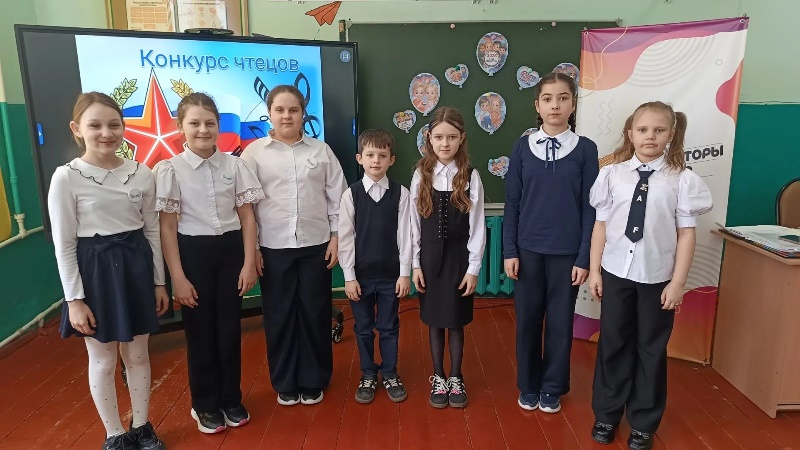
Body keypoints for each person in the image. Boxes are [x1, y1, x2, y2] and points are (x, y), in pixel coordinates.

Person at [588, 101, 712, 450]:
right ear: (631, 133)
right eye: (643, 130)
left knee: (651, 349)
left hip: (657, 278)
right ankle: (607, 413)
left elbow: (686, 234)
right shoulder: (613, 175)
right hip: (616, 273)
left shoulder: (681, 180)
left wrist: (678, 282)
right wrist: (595, 270)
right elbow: (601, 226)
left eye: (659, 130)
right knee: (613, 343)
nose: (650, 136)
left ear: (671, 134)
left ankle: (643, 422)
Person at [49, 92, 168, 450]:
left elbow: (152, 231)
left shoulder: (141, 172)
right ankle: (114, 433)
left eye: (114, 125)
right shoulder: (66, 177)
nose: (106, 133)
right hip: (96, 273)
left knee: (138, 354)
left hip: (135, 268)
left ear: (123, 127)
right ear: (77, 129)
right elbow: (64, 243)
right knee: (102, 358)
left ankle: (142, 426)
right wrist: (74, 300)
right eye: (95, 125)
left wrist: (159, 282)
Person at [155, 92, 262, 434]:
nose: (203, 130)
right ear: (180, 127)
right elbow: (167, 228)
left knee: (229, 330)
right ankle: (204, 404)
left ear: (219, 126)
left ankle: (230, 398)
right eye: (195, 123)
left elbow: (248, 218)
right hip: (193, 254)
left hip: (231, 253)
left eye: (210, 123)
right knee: (200, 332)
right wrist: (178, 278)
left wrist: (248, 263)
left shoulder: (235, 165)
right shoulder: (170, 170)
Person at [241, 85, 347, 406]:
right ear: (269, 114)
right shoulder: (253, 154)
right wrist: (253, 249)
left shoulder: (321, 151)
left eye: (293, 110)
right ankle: (285, 381)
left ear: (303, 114)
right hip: (272, 248)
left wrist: (336, 237)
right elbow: (246, 208)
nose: (286, 116)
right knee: (279, 316)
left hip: (316, 246)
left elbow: (338, 198)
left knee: (315, 313)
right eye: (280, 110)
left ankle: (314, 380)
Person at [503, 72, 600, 413]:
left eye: (562, 98)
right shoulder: (522, 147)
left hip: (567, 254)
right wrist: (510, 251)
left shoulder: (586, 149)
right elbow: (512, 202)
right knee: (528, 322)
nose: (555, 105)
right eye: (547, 99)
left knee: (560, 324)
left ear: (573, 104)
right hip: (528, 251)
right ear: (537, 106)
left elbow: (590, 207)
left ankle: (552, 388)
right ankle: (529, 385)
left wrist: (584, 257)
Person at [411, 106, 486, 409]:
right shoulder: (421, 175)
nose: (445, 143)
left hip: (458, 259)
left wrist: (473, 268)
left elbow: (477, 226)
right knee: (434, 321)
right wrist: (415, 264)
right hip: (430, 260)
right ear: (429, 138)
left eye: (452, 137)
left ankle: (456, 376)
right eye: (439, 137)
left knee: (455, 321)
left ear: (461, 138)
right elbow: (414, 225)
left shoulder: (470, 176)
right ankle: (438, 377)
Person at [338, 129, 411, 404]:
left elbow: (406, 236)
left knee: (389, 326)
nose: (376, 160)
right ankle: (368, 373)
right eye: (370, 155)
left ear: (392, 160)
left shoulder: (401, 194)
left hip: (391, 276)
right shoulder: (351, 195)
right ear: (360, 158)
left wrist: (404, 273)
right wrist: (349, 276)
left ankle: (389, 372)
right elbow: (346, 237)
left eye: (382, 155)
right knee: (364, 328)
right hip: (361, 278)